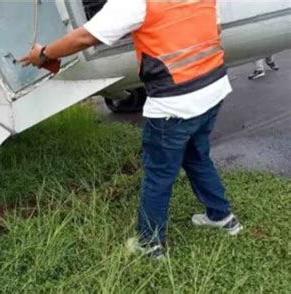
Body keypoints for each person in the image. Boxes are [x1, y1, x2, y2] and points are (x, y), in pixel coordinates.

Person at [21, 0, 243, 259]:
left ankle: (149, 243)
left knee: (159, 175)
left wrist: (45, 54)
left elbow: (85, 37)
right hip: (213, 87)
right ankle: (223, 217)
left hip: (174, 103)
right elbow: (213, 29)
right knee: (197, 156)